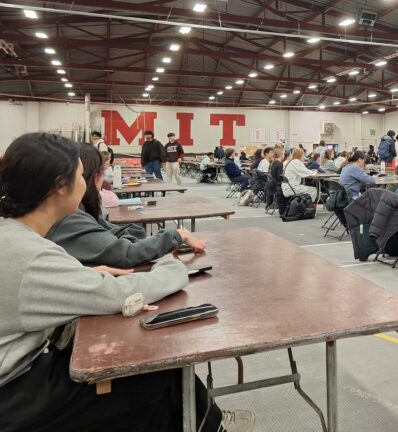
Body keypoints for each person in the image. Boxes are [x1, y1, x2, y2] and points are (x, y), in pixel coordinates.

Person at [0, 132, 256, 432]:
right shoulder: (26, 252)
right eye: (82, 175)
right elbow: (119, 295)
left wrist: (86, 276)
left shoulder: (14, 237)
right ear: (60, 186)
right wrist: (171, 267)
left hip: (22, 371)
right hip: (14, 392)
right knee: (158, 370)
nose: (87, 183)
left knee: (155, 382)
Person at [48, 143, 206, 268]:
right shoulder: (69, 219)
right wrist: (176, 236)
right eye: (101, 172)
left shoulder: (78, 214)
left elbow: (127, 234)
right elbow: (127, 253)